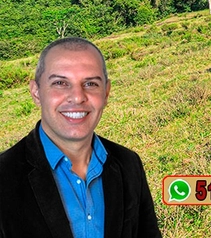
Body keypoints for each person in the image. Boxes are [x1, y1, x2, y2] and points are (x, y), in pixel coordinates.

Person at [0, 37, 161, 238]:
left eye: (91, 83)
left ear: (106, 93)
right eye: (60, 83)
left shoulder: (129, 163)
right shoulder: (4, 176)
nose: (77, 97)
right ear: (36, 92)